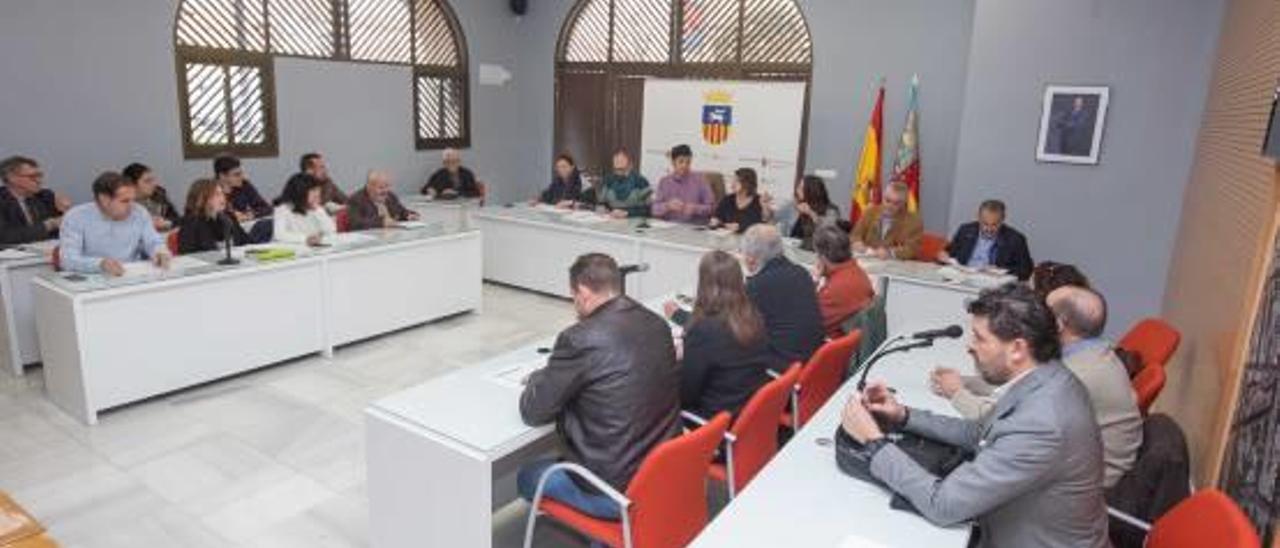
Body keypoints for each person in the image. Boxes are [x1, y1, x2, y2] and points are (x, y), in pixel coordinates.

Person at [839, 284, 1109, 547]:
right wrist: (903, 416)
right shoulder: (1045, 377)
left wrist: (873, 441)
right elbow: (981, 433)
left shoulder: (1043, 423)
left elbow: (943, 505)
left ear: (1017, 348)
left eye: (980, 338)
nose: (969, 346)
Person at [517, 253, 680, 520]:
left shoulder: (579, 338)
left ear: (582, 292)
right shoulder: (657, 323)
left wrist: (539, 376)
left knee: (527, 476)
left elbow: (533, 411)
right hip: (661, 474)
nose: (574, 304)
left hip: (613, 491)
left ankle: (607, 535)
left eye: (573, 296)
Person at [929, 286, 1143, 489]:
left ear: (1058, 325)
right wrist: (965, 382)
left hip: (1084, 486)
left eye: (1043, 311)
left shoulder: (1077, 377)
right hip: (1071, 461)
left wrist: (956, 393)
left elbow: (999, 420)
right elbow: (1018, 387)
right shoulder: (1090, 353)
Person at [663, 250, 771, 419]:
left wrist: (678, 361)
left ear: (704, 284)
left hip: (711, 423)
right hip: (745, 412)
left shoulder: (705, 330)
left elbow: (685, 395)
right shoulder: (753, 316)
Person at [740, 224, 825, 372]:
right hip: (811, 360)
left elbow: (739, 332)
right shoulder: (801, 273)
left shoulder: (757, 286)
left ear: (751, 258)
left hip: (783, 367)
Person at [59, 172, 171, 276]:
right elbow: (68, 260)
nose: (132, 206)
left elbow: (153, 241)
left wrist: (159, 252)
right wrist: (100, 264)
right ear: (104, 200)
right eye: (125, 201)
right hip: (94, 278)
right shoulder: (76, 217)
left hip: (132, 274)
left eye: (133, 200)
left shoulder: (140, 212)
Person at [939, 200, 1034, 280]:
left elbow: (1026, 271)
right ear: (978, 218)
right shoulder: (965, 230)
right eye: (985, 224)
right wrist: (943, 256)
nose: (988, 229)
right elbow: (949, 253)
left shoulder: (1015, 239)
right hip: (962, 278)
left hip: (992, 284)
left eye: (994, 225)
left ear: (1002, 220)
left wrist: (1002, 270)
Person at [812, 224, 875, 339]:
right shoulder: (857, 272)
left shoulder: (836, 288)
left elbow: (806, 323)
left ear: (822, 258)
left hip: (827, 348)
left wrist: (815, 281)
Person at [0, 156, 70, 244]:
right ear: (12, 178)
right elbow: (5, 237)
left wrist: (66, 212)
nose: (39, 181)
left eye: (40, 175)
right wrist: (49, 225)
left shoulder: (45, 196)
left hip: (42, 252)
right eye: (32, 176)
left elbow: (63, 230)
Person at [850, 180, 923, 260]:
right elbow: (855, 235)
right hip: (867, 259)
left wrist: (890, 252)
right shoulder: (870, 212)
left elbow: (912, 249)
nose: (890, 206)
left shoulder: (913, 221)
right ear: (883, 197)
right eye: (887, 201)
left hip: (895, 265)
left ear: (903, 204)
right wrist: (857, 243)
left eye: (896, 203)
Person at [176, 178, 250, 254]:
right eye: (217, 194)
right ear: (202, 198)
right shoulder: (191, 223)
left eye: (222, 193)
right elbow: (186, 253)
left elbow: (246, 242)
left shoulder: (228, 217)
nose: (222, 198)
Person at [651, 144, 714, 223]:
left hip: (693, 228)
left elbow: (711, 208)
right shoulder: (664, 182)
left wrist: (695, 209)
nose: (685, 165)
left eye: (688, 162)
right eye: (681, 161)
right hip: (670, 228)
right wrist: (668, 206)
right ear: (673, 162)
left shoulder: (701, 180)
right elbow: (654, 209)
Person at [272, 173, 337, 246]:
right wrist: (305, 239)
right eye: (313, 190)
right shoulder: (283, 209)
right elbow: (280, 235)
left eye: (317, 190)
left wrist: (319, 211)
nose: (318, 194)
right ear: (300, 192)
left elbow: (332, 231)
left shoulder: (317, 209)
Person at [346, 170, 420, 230]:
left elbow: (401, 211)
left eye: (387, 186)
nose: (385, 191)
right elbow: (355, 224)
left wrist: (408, 215)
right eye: (381, 188)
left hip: (392, 236)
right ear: (369, 187)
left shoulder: (390, 196)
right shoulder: (356, 200)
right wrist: (381, 222)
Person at [123, 163, 179, 232]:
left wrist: (167, 223)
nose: (154, 184)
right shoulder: (122, 205)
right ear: (132, 185)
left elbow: (177, 220)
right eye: (147, 181)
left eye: (153, 180)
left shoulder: (160, 197)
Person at [788, 175, 841, 248]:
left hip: (818, 251)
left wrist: (811, 213)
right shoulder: (798, 205)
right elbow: (791, 232)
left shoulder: (831, 210)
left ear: (810, 190)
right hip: (797, 247)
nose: (797, 190)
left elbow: (828, 231)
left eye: (800, 188)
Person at [214, 155, 271, 221]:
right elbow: (212, 215)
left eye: (242, 173)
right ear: (222, 176)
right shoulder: (211, 191)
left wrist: (251, 215)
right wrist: (233, 216)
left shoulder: (244, 185)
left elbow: (266, 208)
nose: (242, 177)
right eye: (236, 174)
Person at [598, 149, 651, 218]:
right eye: (616, 168)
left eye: (621, 168)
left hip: (633, 221)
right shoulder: (608, 180)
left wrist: (628, 213)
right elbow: (601, 203)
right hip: (611, 220)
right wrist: (602, 208)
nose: (618, 172)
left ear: (630, 165)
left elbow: (649, 209)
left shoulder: (641, 181)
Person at [709, 168, 764, 234]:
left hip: (749, 240)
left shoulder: (758, 201)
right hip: (726, 238)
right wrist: (716, 221)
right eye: (733, 180)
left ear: (747, 183)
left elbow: (759, 225)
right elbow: (717, 216)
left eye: (737, 181)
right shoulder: (728, 199)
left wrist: (740, 227)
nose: (732, 184)